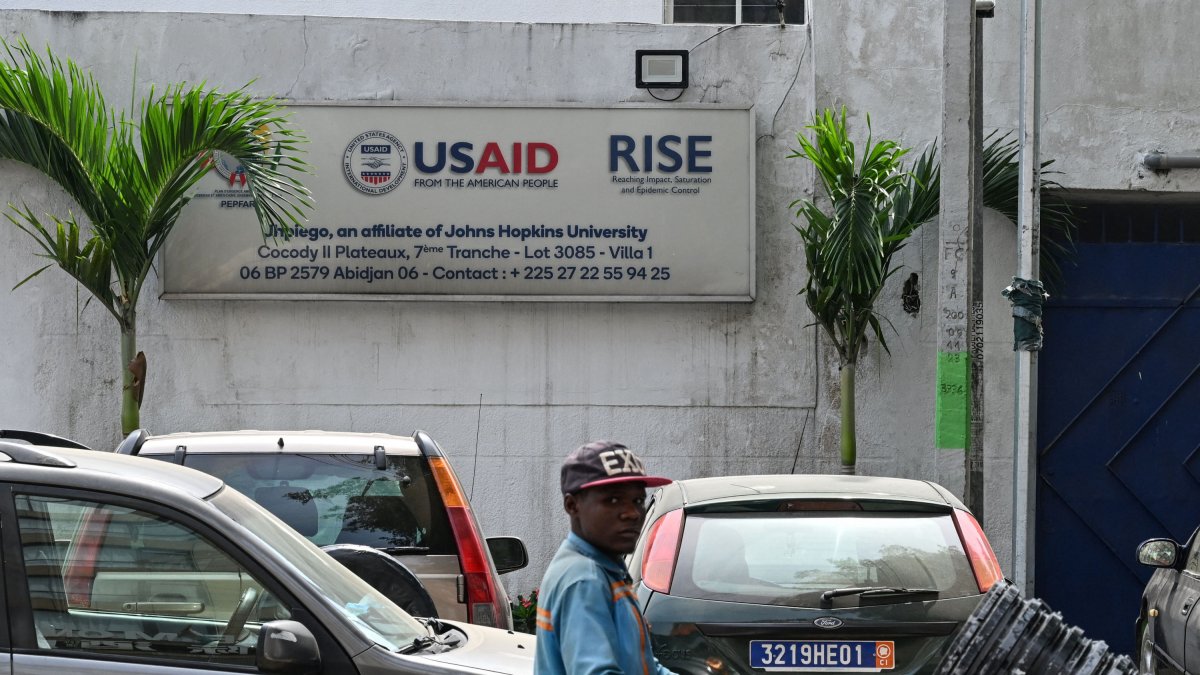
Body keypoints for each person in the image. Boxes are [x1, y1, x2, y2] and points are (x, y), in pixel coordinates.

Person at [534, 440, 677, 675]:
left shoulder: (601, 567)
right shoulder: (584, 579)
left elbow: (645, 667)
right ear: (572, 505)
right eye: (612, 500)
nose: (632, 513)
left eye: (638, 501)